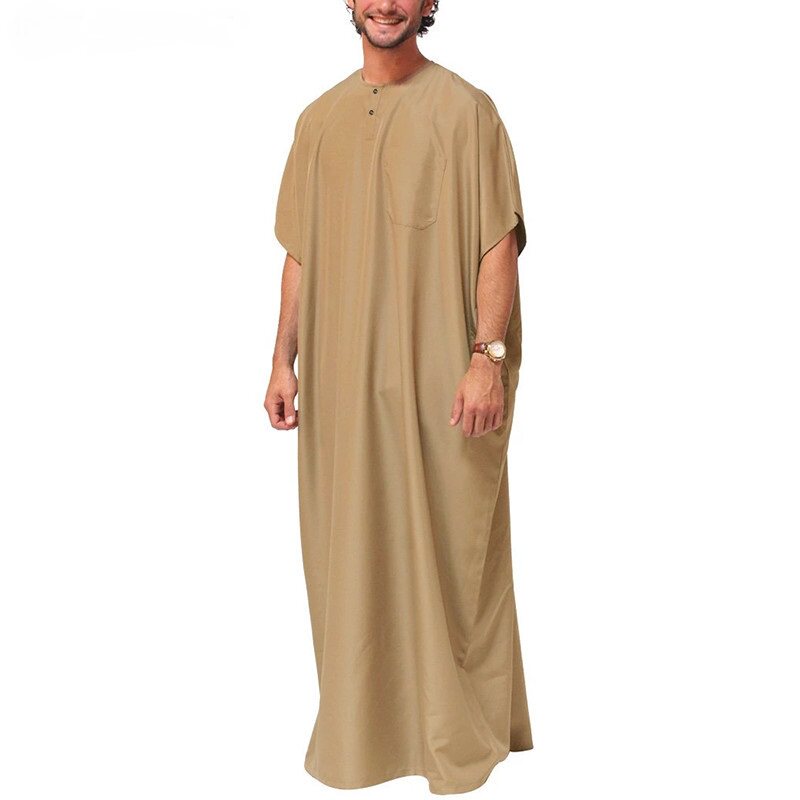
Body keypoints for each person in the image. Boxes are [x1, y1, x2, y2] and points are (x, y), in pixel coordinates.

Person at [264, 1, 533, 793]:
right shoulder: (318, 121)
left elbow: (497, 241)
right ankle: (365, 739)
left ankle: (456, 738)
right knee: (349, 558)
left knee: (451, 556)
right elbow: (300, 254)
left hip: (437, 386)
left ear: (429, 4)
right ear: (349, 3)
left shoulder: (467, 112)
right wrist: (282, 359)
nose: (386, 4)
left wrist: (486, 357)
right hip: (344, 391)